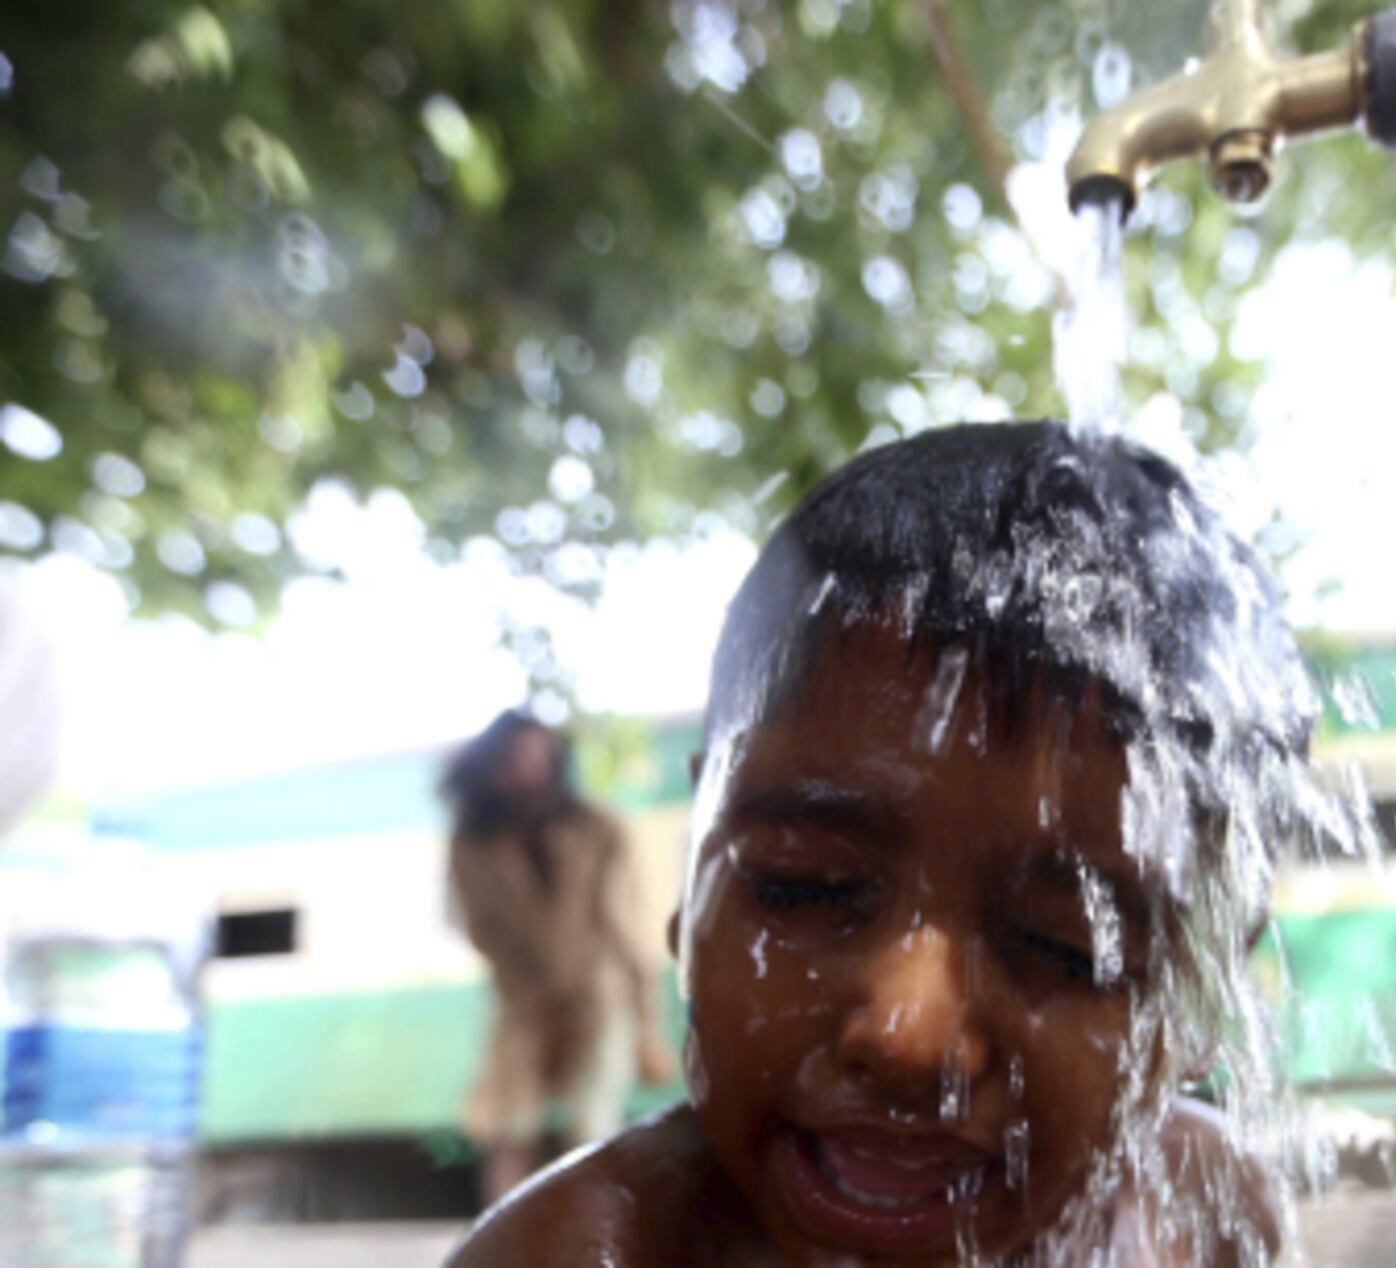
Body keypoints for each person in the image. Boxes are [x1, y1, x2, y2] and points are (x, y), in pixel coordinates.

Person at [446, 422, 1320, 1267]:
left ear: (1208, 991)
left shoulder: (1199, 1216)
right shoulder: (585, 1255)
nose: (909, 1034)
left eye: (1068, 945)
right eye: (802, 887)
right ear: (695, 881)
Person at [443, 708, 678, 1209]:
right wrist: (533, 991)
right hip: (522, 1004)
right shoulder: (471, 844)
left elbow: (626, 930)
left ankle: (588, 1240)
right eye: (513, 759)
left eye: (537, 756)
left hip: (600, 997)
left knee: (589, 1127)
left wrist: (647, 1025)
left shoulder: (598, 828)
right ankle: (501, 1248)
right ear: (490, 766)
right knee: (508, 1126)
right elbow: (482, 930)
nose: (526, 769)